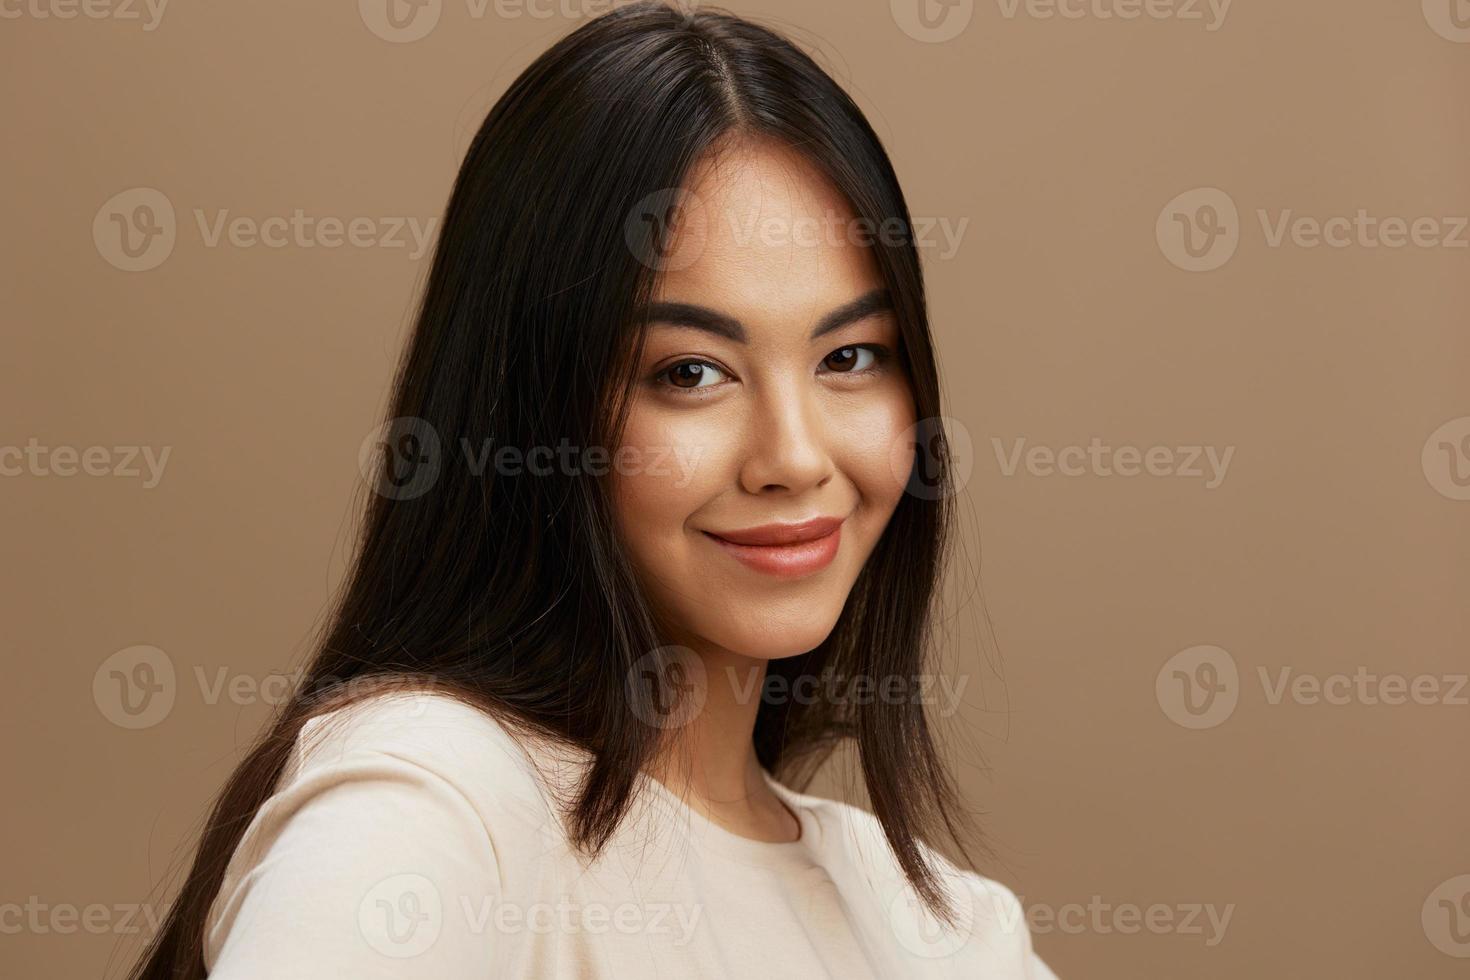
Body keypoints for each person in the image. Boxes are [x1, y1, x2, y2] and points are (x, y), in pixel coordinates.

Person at [129, 3, 1057, 976]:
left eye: (851, 355)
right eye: (691, 371)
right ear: (533, 409)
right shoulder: (436, 795)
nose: (793, 454)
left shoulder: (945, 928)